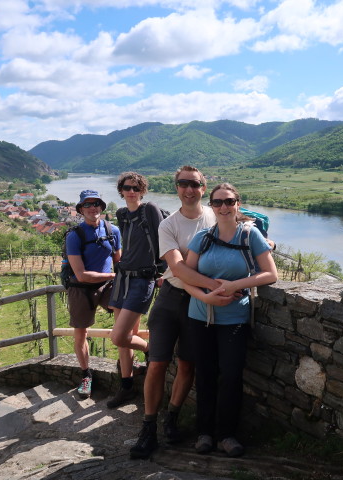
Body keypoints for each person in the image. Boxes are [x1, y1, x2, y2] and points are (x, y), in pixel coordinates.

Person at [129, 166, 237, 459]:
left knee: (188, 364)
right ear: (176, 187)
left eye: (194, 184)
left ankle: (172, 419)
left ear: (204, 187)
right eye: (182, 184)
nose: (188, 189)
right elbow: (177, 269)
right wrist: (214, 286)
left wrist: (270, 242)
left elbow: (250, 230)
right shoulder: (168, 225)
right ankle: (148, 428)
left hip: (199, 302)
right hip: (173, 299)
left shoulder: (217, 213)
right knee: (157, 363)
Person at [184, 183, 278, 457]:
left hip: (234, 318)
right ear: (211, 206)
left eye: (229, 201)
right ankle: (204, 432)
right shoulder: (202, 238)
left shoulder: (251, 236)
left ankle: (226, 434)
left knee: (232, 376)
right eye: (217, 202)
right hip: (200, 316)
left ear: (237, 204)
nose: (223, 207)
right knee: (205, 375)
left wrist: (233, 284)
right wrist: (205, 298)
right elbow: (185, 277)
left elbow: (270, 274)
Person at [107, 172, 162, 408]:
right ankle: (126, 386)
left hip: (143, 279)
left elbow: (164, 240)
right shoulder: (121, 214)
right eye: (128, 188)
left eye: (136, 188)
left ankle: (150, 350)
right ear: (121, 190)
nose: (132, 191)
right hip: (122, 278)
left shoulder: (149, 210)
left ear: (142, 191)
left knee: (119, 336)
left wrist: (163, 272)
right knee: (124, 340)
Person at [66, 190, 121, 398]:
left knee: (125, 314)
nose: (92, 207)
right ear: (81, 210)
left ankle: (126, 361)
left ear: (101, 207)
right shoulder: (75, 235)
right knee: (81, 334)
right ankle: (86, 374)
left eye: (96, 203)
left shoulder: (113, 230)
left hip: (107, 284)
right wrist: (113, 275)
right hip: (81, 289)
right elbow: (81, 275)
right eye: (87, 205)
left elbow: (118, 261)